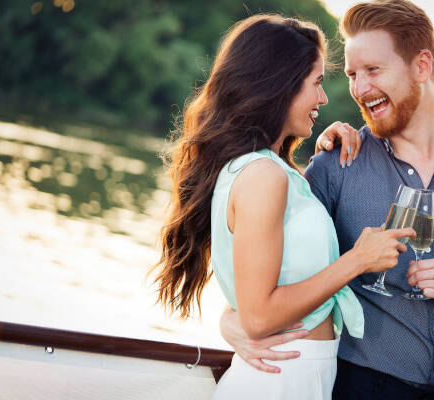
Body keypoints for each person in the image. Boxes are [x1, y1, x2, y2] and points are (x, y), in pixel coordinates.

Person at [219, 1, 434, 399]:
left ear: (422, 66)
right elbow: (260, 260)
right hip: (355, 386)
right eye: (354, 75)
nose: (358, 89)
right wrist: (230, 319)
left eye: (373, 71)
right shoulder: (335, 163)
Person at [152, 14, 415, 399]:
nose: (324, 98)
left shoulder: (268, 171)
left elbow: (269, 276)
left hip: (296, 376)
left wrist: (319, 152)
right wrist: (357, 260)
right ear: (282, 86)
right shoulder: (263, 177)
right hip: (281, 380)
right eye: (317, 83)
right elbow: (258, 318)